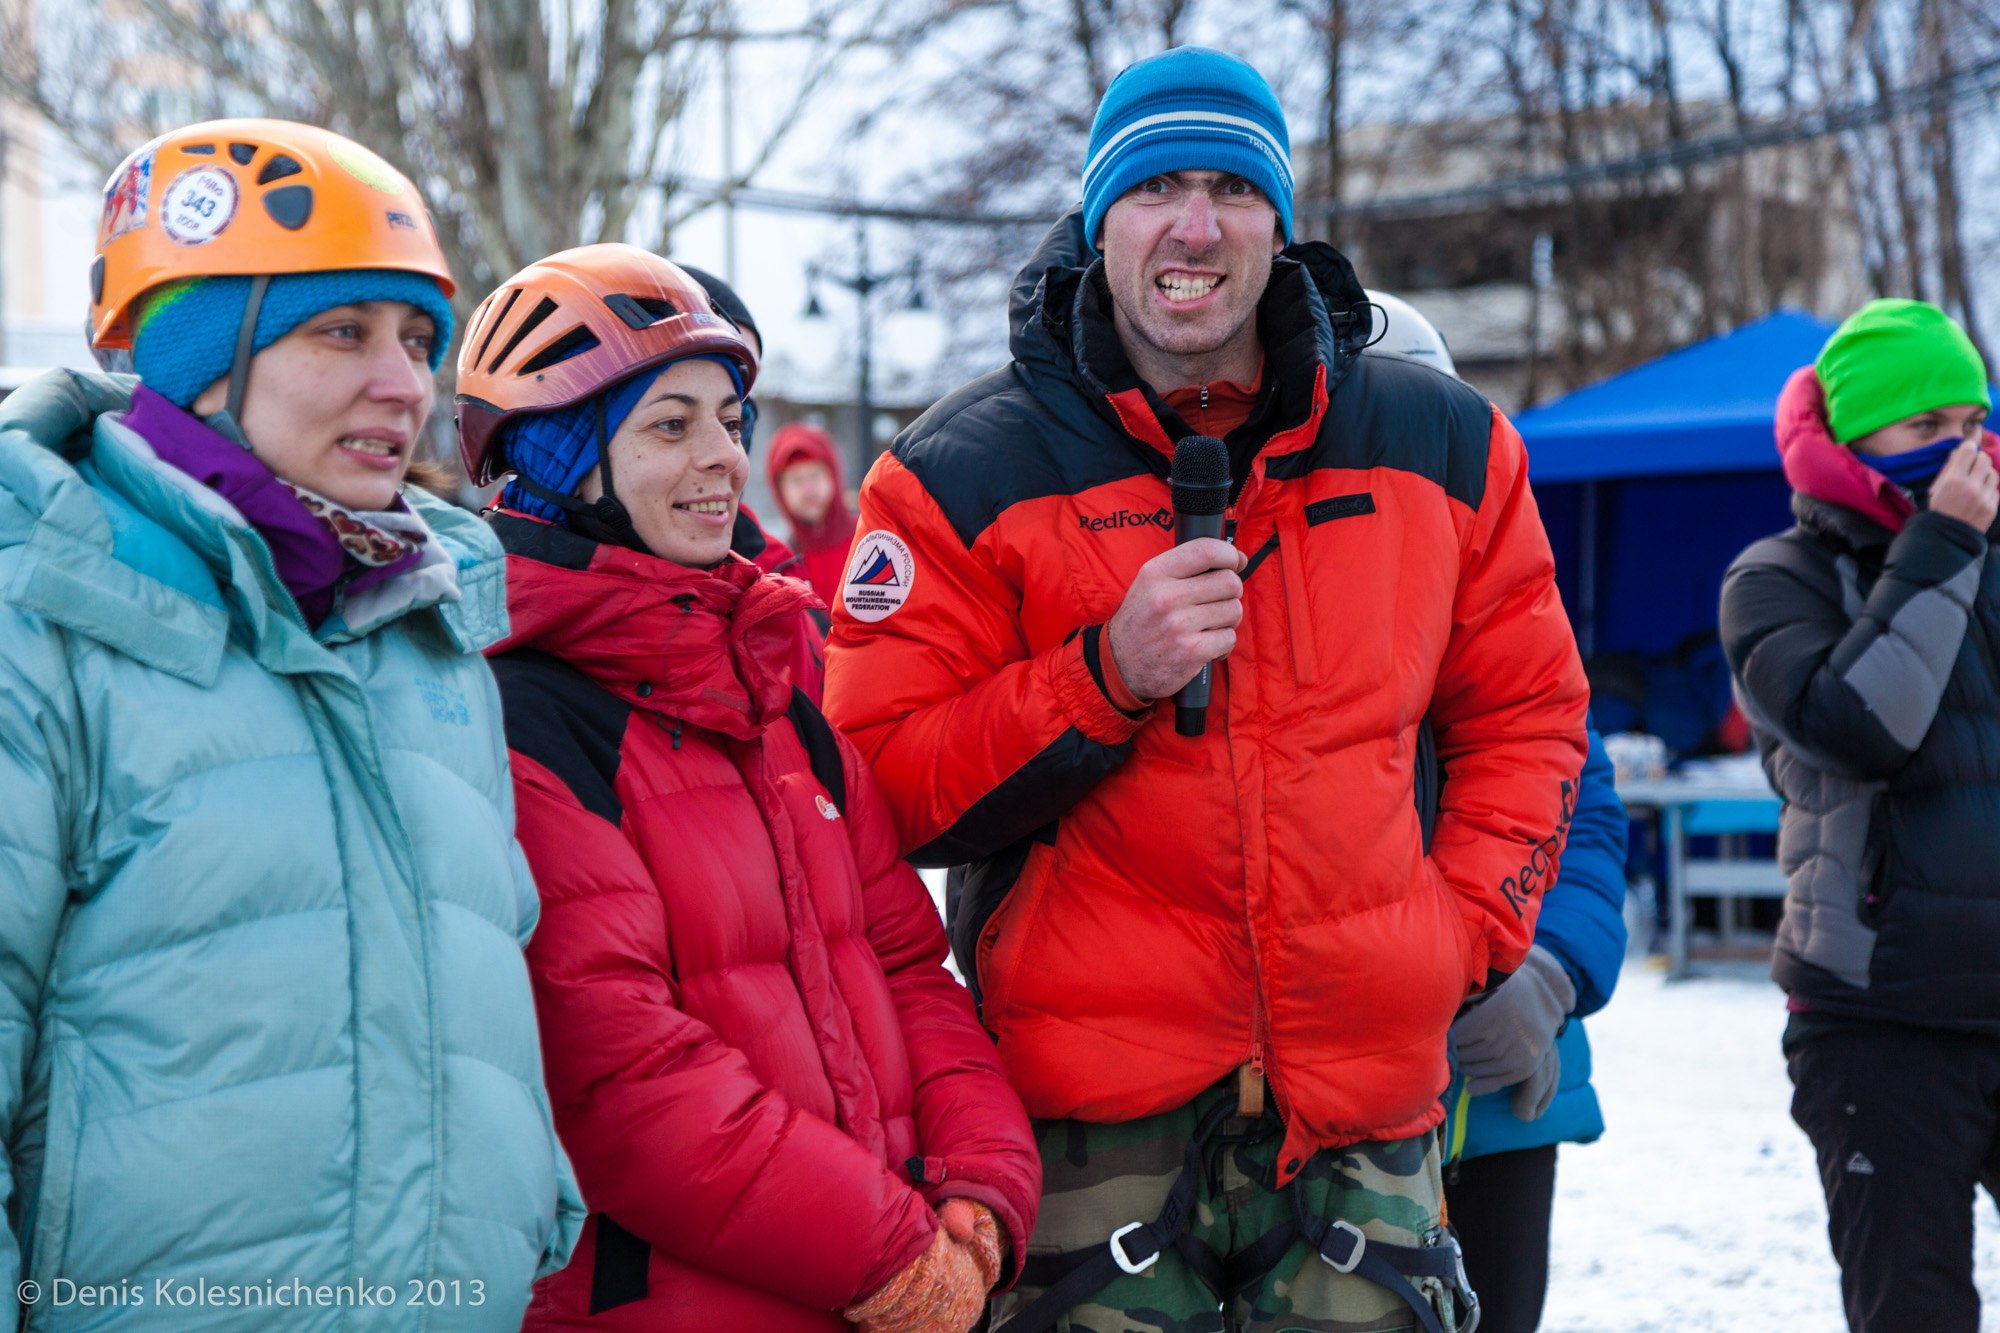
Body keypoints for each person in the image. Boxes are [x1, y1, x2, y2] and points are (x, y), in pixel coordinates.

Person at [822, 46, 1589, 1333]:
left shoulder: (1444, 441)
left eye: (1231, 190)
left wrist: (1459, 936)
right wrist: (1101, 676)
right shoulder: (953, 471)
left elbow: (1528, 716)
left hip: (1363, 1102)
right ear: (1098, 219)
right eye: (1154, 188)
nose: (1193, 226)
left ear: (1278, 224)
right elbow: (875, 786)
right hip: (1085, 1117)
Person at [0, 118, 583, 1328]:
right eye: (342, 332)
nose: (405, 384)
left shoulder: (434, 641)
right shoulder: (39, 616)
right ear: (200, 361)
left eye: (420, 340)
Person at [453, 242, 1041, 1332]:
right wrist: (893, 1254)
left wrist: (980, 1184)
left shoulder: (781, 705)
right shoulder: (519, 719)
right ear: (563, 466)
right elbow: (622, 1084)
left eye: (729, 419)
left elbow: (911, 966)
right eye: (669, 426)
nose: (724, 456)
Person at [1719, 298, 2000, 1333]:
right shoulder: (1773, 578)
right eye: (1926, 430)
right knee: (1913, 1309)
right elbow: (1862, 724)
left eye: (1971, 424)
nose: (1960, 451)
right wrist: (1941, 546)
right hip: (1880, 1019)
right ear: (1853, 438)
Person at [1369, 297, 1630, 1333]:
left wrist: (1551, 973)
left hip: (1510, 1075)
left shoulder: (1506, 589)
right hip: (1341, 1098)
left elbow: (1586, 810)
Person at [766, 420, 859, 604]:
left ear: (833, 475)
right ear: (780, 490)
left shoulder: (871, 540)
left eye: (815, 475)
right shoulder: (782, 568)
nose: (808, 490)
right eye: (796, 480)